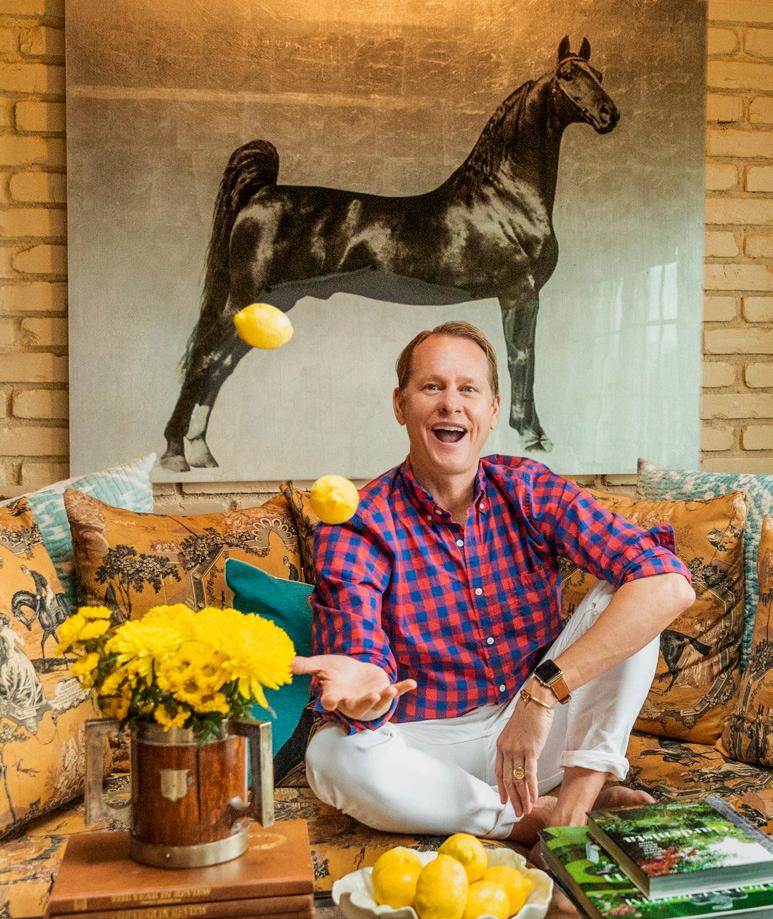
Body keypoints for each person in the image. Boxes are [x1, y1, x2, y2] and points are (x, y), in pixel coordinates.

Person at [293, 321, 695, 846]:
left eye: (468, 389)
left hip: (537, 735)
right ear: (400, 405)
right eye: (432, 387)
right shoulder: (358, 522)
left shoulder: (528, 487)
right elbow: (362, 658)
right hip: (429, 751)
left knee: (634, 595)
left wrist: (541, 693)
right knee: (331, 756)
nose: (450, 404)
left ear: (493, 409)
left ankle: (573, 806)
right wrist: (367, 694)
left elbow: (669, 584)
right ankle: (528, 819)